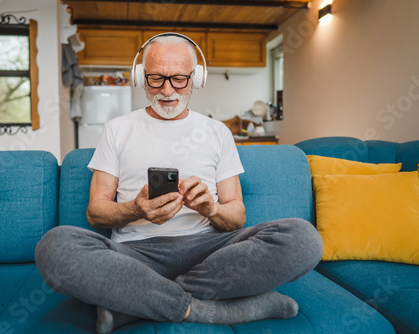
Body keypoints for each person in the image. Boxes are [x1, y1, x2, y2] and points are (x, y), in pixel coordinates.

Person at [35, 33, 323, 334]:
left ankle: (137, 302)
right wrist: (136, 209)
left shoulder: (217, 132)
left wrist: (211, 208)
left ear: (196, 78)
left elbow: (237, 216)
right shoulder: (116, 129)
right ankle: (207, 308)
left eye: (179, 79)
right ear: (140, 77)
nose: (167, 90)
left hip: (212, 253)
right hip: (135, 256)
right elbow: (96, 212)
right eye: (156, 79)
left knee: (304, 238)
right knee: (54, 247)